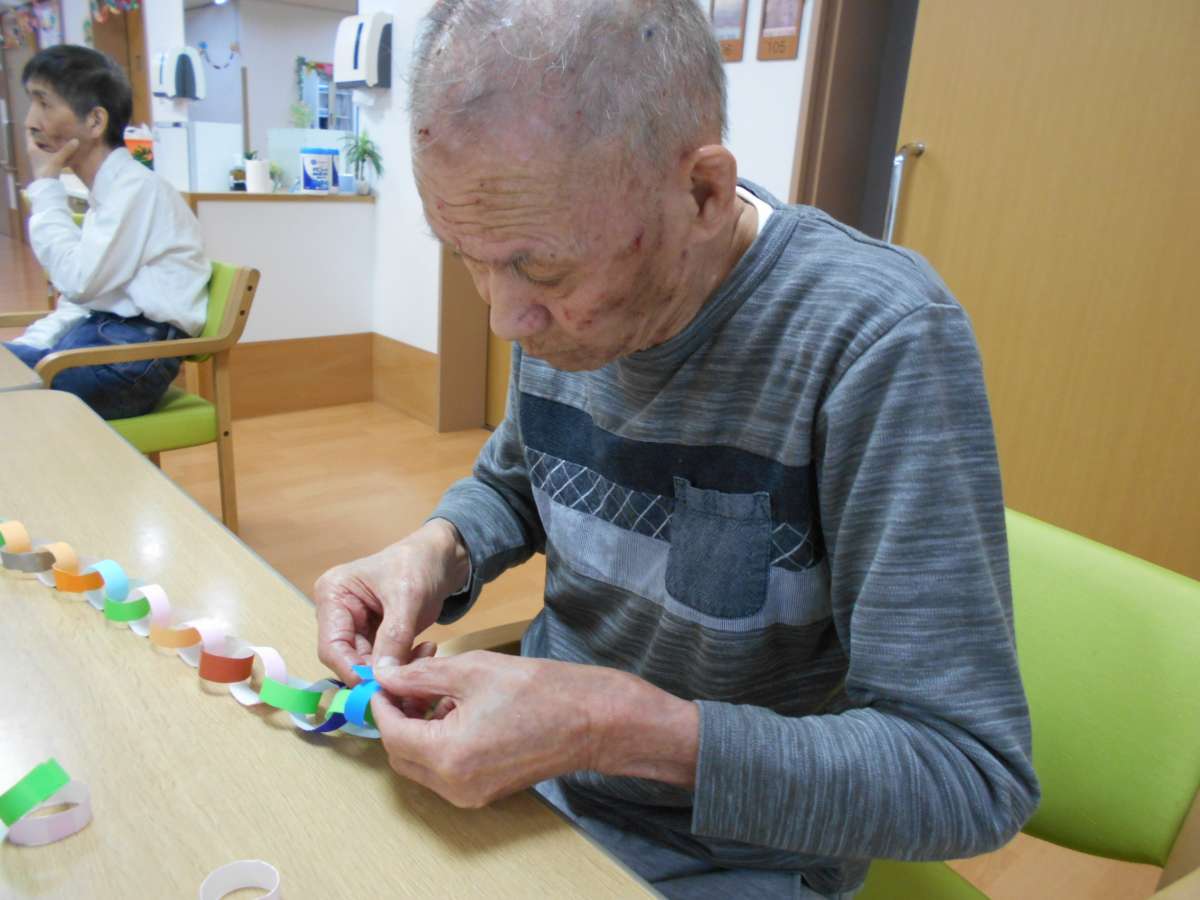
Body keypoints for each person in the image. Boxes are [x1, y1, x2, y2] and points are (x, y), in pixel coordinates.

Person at [313, 2, 1040, 896]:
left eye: (539, 268)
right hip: (530, 786)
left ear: (701, 193)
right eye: (467, 255)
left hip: (729, 853)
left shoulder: (877, 341)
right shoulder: (559, 294)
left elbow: (967, 775)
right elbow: (522, 481)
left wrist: (612, 727)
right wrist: (439, 549)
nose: (505, 319)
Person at [4, 45, 209, 420]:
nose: (31, 122)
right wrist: (29, 345)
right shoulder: (111, 191)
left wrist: (46, 183)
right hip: (99, 344)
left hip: (127, 364)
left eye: (44, 103)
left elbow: (78, 283)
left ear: (95, 121)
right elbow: (81, 301)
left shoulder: (136, 190)